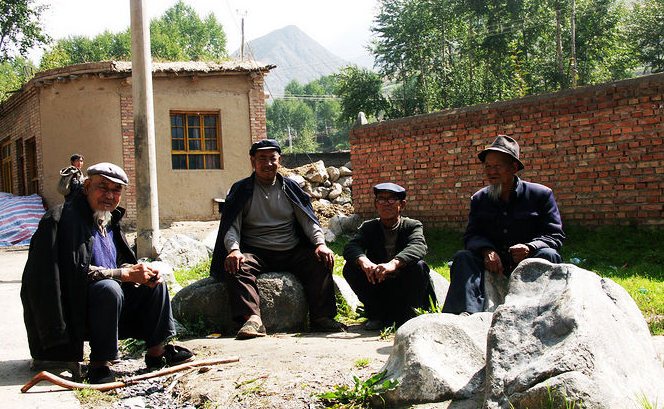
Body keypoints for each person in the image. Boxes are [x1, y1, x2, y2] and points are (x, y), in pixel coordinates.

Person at [21, 162, 193, 384]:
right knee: (109, 288)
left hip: (108, 308)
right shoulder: (64, 219)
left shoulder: (107, 220)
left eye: (116, 190)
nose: (109, 195)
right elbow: (74, 273)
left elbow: (118, 264)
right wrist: (124, 275)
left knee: (155, 283)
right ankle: (99, 365)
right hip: (72, 310)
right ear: (87, 187)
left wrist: (137, 273)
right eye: (103, 187)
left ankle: (156, 353)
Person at [210, 139, 345, 338]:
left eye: (272, 158)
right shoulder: (241, 190)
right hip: (256, 251)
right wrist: (234, 250)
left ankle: (321, 318)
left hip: (291, 250)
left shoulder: (290, 188)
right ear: (252, 162)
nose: (268, 164)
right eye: (261, 159)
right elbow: (231, 227)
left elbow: (309, 222)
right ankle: (253, 319)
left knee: (320, 260)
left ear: (279, 160)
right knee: (236, 266)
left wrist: (320, 244)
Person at [442, 135, 565, 314]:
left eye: (497, 167)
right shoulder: (479, 199)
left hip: (527, 262)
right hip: (493, 265)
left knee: (548, 254)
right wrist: (487, 251)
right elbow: (471, 235)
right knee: (463, 257)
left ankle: (543, 314)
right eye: (488, 167)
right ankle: (464, 316)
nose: (491, 172)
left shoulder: (541, 195)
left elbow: (554, 235)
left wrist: (530, 247)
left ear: (514, 167)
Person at [343, 183, 435, 330]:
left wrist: (393, 264)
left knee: (419, 266)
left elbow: (418, 246)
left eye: (392, 199)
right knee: (350, 268)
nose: (386, 204)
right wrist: (364, 261)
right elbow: (351, 247)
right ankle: (376, 315)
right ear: (375, 204)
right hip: (379, 284)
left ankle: (408, 316)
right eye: (381, 199)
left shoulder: (412, 225)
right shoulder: (369, 227)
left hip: (403, 284)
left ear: (402, 204)